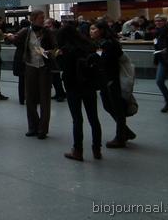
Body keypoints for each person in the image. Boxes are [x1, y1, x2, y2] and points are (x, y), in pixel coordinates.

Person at [7, 10, 56, 139]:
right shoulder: (26, 31)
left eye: (43, 17)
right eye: (41, 18)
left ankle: (42, 129)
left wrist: (49, 52)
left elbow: (54, 47)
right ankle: (33, 126)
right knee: (30, 98)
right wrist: (9, 37)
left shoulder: (47, 32)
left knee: (45, 99)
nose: (43, 20)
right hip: (30, 66)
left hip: (44, 67)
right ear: (33, 19)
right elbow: (15, 40)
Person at [57, 25, 102, 161]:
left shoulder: (66, 50)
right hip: (89, 85)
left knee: (77, 119)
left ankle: (78, 150)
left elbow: (64, 67)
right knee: (93, 118)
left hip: (73, 86)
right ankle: (97, 149)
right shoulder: (89, 45)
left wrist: (58, 57)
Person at [90, 20, 136, 148]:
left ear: (101, 30)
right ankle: (125, 132)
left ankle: (121, 137)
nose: (91, 32)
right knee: (109, 106)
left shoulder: (109, 44)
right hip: (106, 80)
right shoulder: (101, 43)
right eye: (90, 29)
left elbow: (106, 61)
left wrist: (94, 59)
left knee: (116, 108)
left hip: (111, 80)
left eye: (94, 29)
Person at [45, 17, 66, 102]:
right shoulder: (53, 32)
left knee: (55, 77)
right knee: (55, 77)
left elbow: (56, 45)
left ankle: (60, 94)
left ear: (50, 24)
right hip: (54, 56)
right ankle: (59, 93)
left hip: (54, 56)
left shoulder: (53, 32)